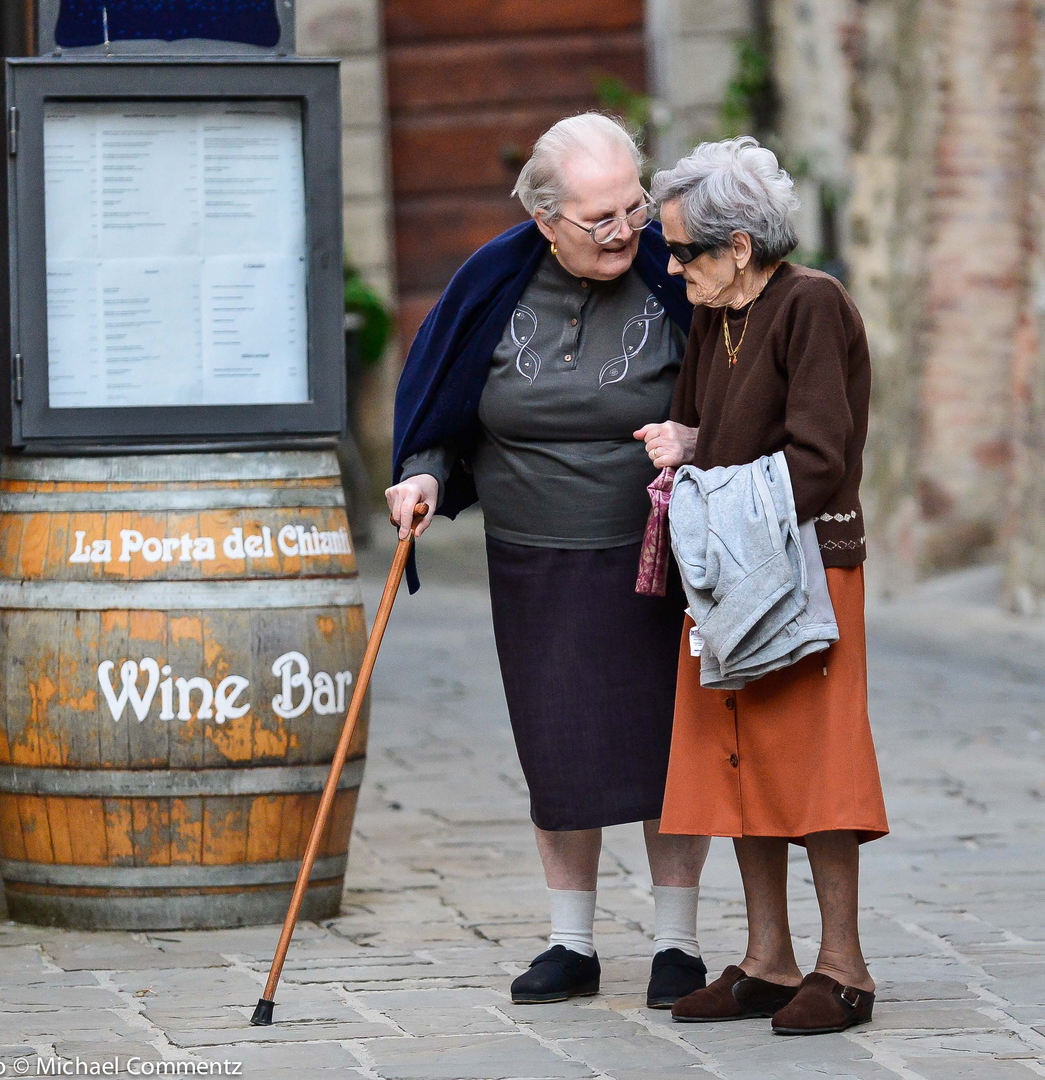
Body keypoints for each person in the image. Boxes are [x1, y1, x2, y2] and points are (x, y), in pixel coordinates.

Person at [386, 113, 711, 1009]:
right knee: (558, 750)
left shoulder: (672, 273)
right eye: (598, 219)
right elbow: (442, 414)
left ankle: (677, 944)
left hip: (662, 554)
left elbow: (738, 388)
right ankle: (572, 944)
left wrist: (696, 436)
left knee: (664, 749)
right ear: (545, 220)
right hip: (534, 558)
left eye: (632, 209)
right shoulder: (489, 285)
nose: (624, 233)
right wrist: (419, 479)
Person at [634, 137, 890, 1036]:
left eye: (683, 251)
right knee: (734, 754)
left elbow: (819, 460)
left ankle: (844, 968)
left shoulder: (810, 304)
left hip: (807, 568)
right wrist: (689, 447)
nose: (671, 267)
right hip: (729, 566)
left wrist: (710, 470)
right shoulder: (716, 311)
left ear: (739, 246)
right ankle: (770, 961)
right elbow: (712, 428)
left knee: (813, 763)